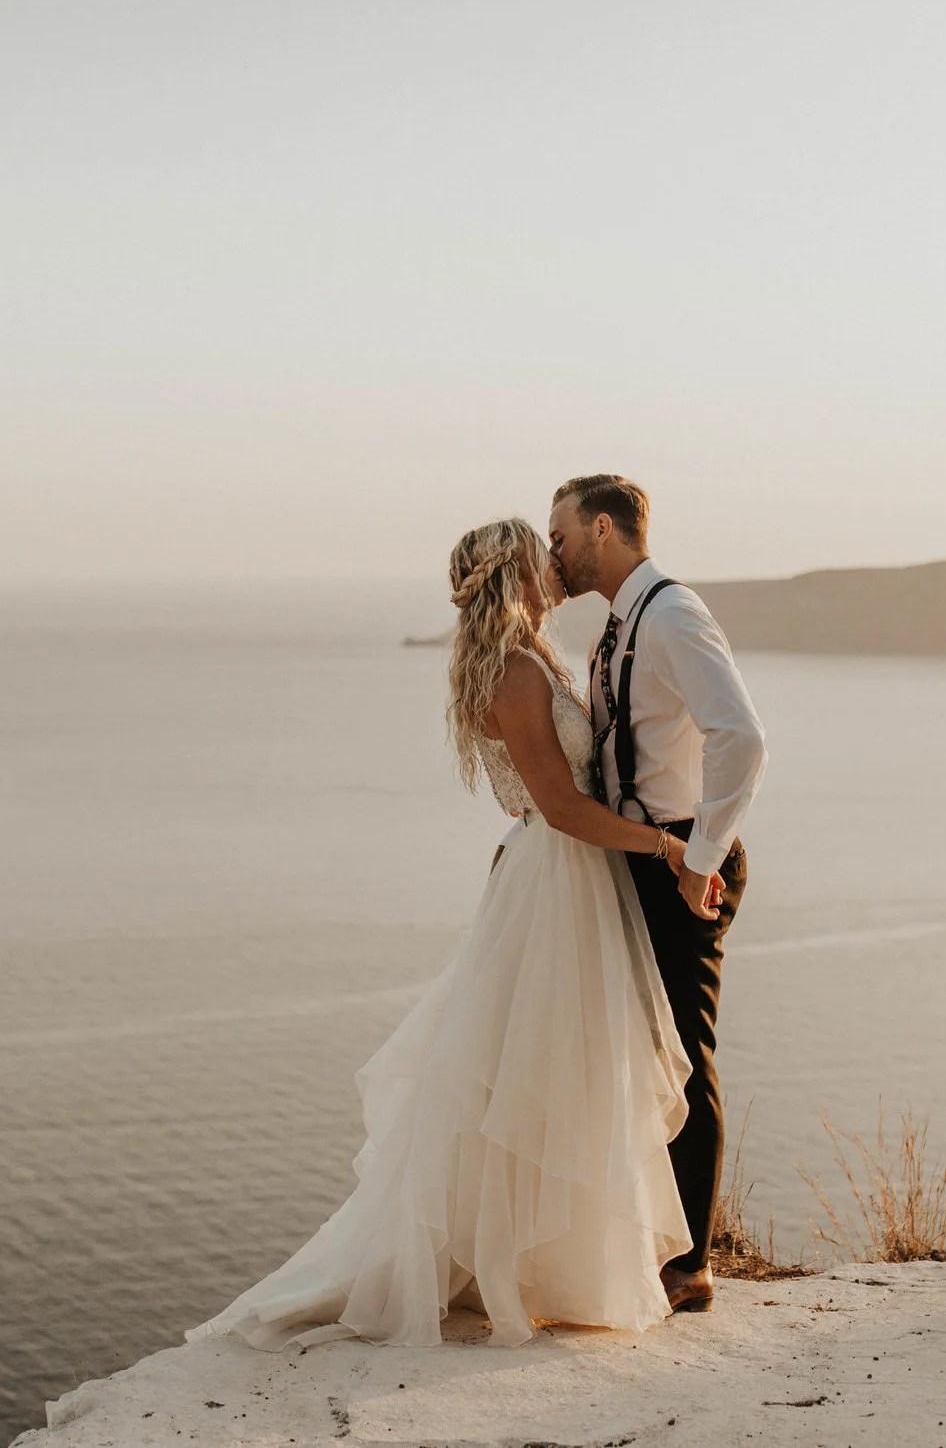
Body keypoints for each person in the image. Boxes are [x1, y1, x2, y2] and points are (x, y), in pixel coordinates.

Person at [185, 517, 695, 1350]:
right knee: (539, 1070)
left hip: (561, 876)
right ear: (517, 573)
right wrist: (666, 842)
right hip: (557, 879)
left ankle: (554, 1267)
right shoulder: (517, 674)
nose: (555, 563)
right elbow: (561, 807)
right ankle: (524, 1266)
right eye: (543, 553)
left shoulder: (528, 658)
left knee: (557, 1069)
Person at [546, 474, 766, 1315]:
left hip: (681, 862)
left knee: (684, 1052)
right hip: (641, 856)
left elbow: (741, 741)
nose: (554, 551)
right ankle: (647, 1239)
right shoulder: (619, 623)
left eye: (561, 534)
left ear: (603, 530)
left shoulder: (671, 615)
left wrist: (699, 857)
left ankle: (692, 1266)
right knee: (643, 1054)